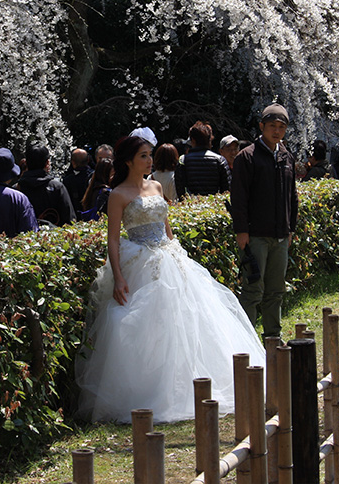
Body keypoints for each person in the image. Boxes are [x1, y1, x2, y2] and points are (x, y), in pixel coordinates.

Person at [75, 136, 265, 423]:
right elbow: (112, 240)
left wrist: (178, 254)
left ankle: (193, 381)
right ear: (128, 161)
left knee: (189, 319)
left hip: (170, 257)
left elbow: (167, 227)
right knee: (148, 325)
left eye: (150, 155)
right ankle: (149, 389)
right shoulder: (118, 195)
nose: (150, 160)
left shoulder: (156, 185)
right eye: (143, 156)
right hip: (139, 260)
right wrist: (118, 276)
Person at [230, 103, 298, 338]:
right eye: (272, 126)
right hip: (255, 235)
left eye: (281, 127)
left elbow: (292, 196)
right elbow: (238, 198)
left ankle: (273, 337)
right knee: (252, 290)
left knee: (276, 290)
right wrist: (241, 231)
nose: (277, 131)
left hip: (280, 235)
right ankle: (245, 341)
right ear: (262, 126)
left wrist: (291, 229)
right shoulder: (246, 157)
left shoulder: (287, 156)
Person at [15, 145, 77, 226]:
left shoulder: (16, 189)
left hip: (22, 237)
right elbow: (70, 220)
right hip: (53, 236)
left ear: (26, 163)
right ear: (47, 163)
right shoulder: (57, 187)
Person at [175, 121, 231, 199]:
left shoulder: (183, 160)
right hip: (215, 207)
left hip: (190, 207)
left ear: (193, 140)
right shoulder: (220, 160)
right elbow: (226, 191)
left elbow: (180, 190)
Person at [63, 148, 94, 215]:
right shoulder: (94, 177)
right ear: (88, 160)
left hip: (74, 216)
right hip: (92, 216)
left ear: (72, 162)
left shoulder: (68, 180)